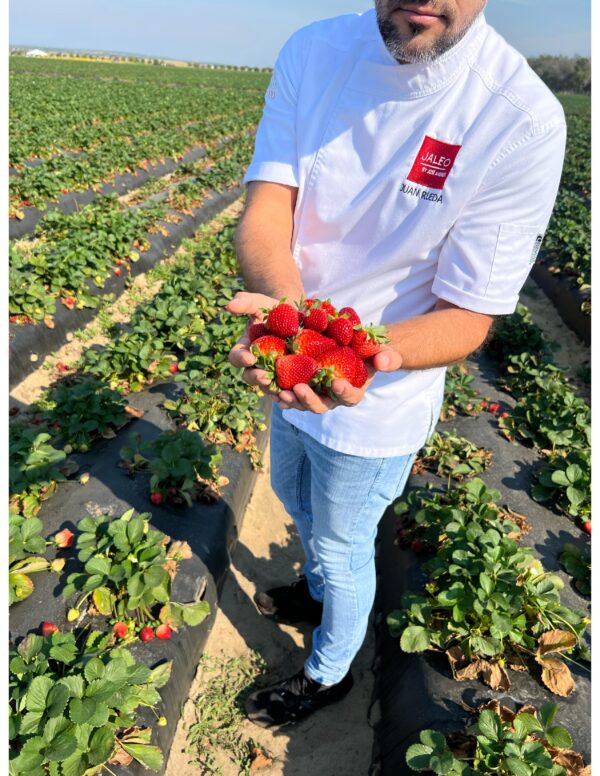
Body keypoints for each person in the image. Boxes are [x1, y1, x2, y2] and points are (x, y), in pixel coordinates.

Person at [226, 0, 566, 728]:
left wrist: (370, 354)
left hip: (380, 398)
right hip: (303, 372)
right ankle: (316, 593)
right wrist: (291, 325)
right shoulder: (314, 51)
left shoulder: (519, 117)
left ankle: (328, 672)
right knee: (291, 491)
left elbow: (470, 314)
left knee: (343, 540)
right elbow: (267, 209)